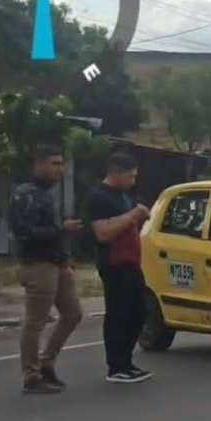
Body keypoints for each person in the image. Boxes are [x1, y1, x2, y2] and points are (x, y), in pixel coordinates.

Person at [9, 146, 84, 393]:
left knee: (73, 314)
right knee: (35, 322)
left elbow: (51, 233)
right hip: (37, 265)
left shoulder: (47, 194)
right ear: (39, 164)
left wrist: (65, 257)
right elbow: (26, 234)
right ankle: (31, 376)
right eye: (54, 164)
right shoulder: (26, 194)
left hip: (56, 264)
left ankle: (46, 362)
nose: (60, 169)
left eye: (62, 163)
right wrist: (63, 229)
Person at [88, 152, 152, 384]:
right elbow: (103, 233)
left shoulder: (123, 196)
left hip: (132, 261)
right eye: (129, 177)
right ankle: (115, 366)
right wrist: (133, 215)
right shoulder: (99, 197)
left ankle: (126, 360)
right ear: (115, 173)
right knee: (118, 313)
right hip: (115, 262)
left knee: (140, 311)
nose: (132, 182)